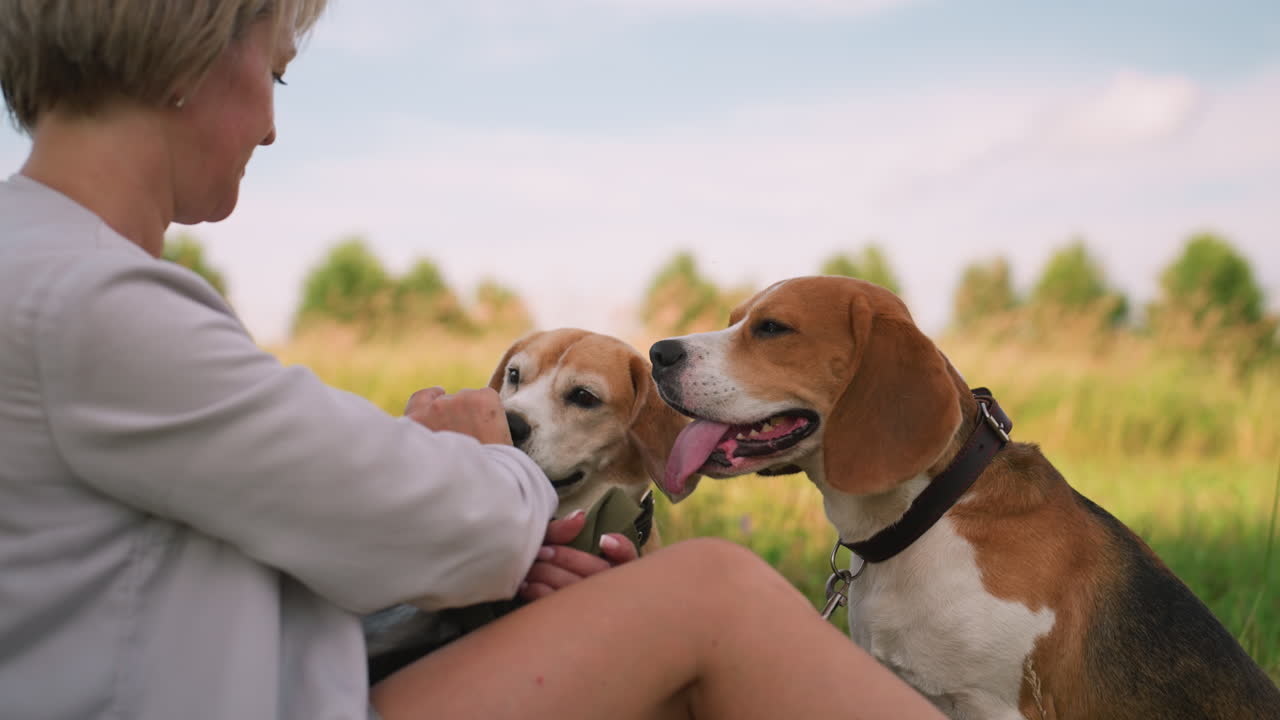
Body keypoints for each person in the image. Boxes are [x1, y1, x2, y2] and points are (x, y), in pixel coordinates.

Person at [0, 2, 945, 719]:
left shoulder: (45, 269)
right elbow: (440, 526)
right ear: (196, 53)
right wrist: (471, 459)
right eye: (277, 75)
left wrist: (469, 514)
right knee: (713, 593)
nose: (271, 126)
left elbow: (311, 522)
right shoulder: (92, 302)